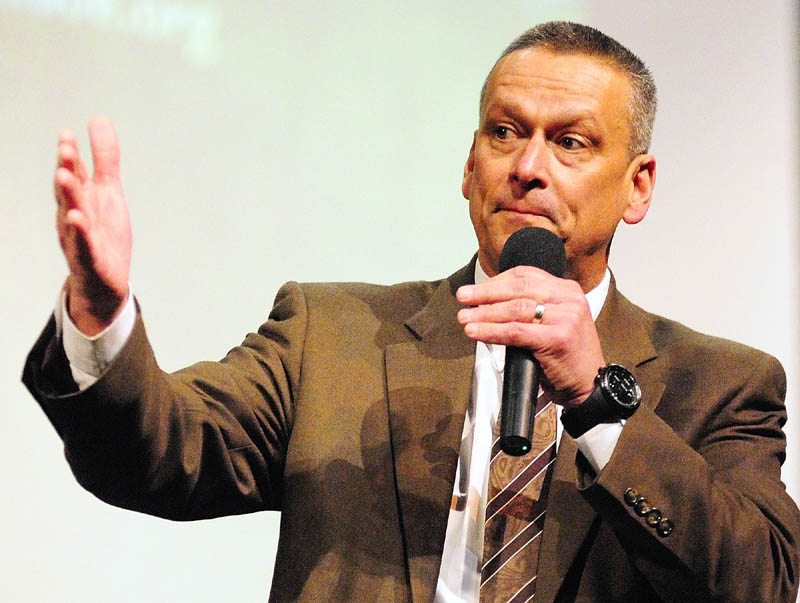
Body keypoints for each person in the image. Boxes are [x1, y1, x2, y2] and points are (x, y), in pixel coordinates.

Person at [23, 21, 800, 603]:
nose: (528, 166)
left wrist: (601, 403)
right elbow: (157, 455)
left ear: (638, 185)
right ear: (469, 165)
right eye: (505, 132)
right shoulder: (332, 336)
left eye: (570, 142)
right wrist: (101, 313)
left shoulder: (722, 385)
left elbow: (759, 582)